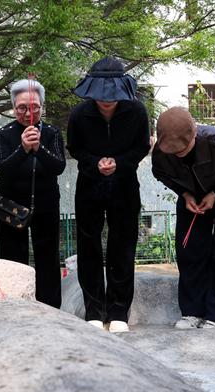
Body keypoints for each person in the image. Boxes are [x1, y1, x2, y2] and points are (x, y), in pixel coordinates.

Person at [66, 57, 150, 333]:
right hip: (89, 185)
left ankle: (118, 312)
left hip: (125, 184)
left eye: (111, 95)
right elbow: (75, 147)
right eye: (101, 94)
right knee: (88, 246)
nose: (106, 100)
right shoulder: (79, 114)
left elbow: (141, 147)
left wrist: (119, 163)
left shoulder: (137, 111)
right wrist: (95, 163)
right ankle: (94, 310)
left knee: (123, 246)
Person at [152, 107, 215, 329]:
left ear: (194, 134)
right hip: (192, 199)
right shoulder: (161, 152)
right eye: (172, 151)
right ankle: (192, 312)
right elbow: (161, 173)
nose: (178, 153)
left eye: (182, 149)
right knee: (190, 252)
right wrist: (185, 194)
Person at [0, 79, 66, 308]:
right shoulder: (4, 134)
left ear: (42, 107)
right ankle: (14, 306)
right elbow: (3, 168)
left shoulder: (52, 133)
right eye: (22, 108)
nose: (29, 113)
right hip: (12, 207)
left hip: (46, 205)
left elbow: (59, 166)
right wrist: (23, 149)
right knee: (12, 259)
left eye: (35, 107)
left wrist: (39, 148)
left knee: (48, 258)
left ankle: (50, 308)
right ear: (13, 108)